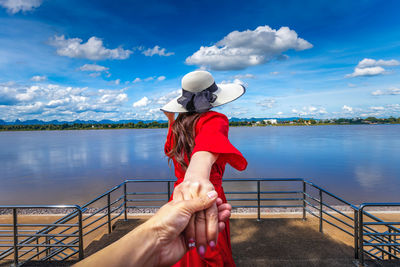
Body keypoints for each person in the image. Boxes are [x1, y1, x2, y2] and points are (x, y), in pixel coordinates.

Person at [162, 70, 248, 266]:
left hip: (180, 195)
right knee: (211, 247)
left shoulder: (178, 126)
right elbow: (209, 142)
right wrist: (197, 176)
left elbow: (169, 150)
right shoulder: (214, 120)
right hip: (207, 193)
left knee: (182, 249)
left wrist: (171, 120)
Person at [74, 191, 232, 267]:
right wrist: (195, 175)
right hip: (201, 199)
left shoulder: (174, 128)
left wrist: (155, 238)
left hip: (181, 200)